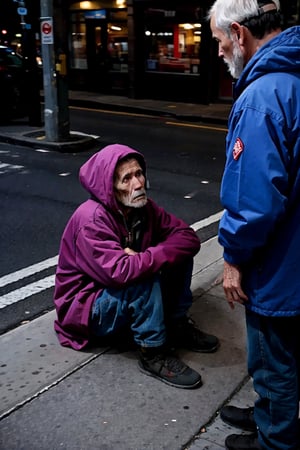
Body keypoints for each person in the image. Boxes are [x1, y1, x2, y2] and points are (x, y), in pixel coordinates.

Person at [209, 0, 300, 449]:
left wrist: (232, 258)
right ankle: (271, 416)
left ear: (240, 34)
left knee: (273, 360)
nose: (221, 51)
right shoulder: (294, 77)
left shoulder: (263, 95)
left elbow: (254, 205)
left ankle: (274, 438)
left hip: (280, 268)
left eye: (221, 42)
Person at [53, 144, 219, 389]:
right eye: (126, 179)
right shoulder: (92, 219)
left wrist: (145, 256)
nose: (138, 184)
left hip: (111, 291)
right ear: (110, 187)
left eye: (139, 173)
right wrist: (144, 261)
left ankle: (175, 324)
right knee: (142, 276)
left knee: (172, 258)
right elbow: (122, 273)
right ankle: (153, 352)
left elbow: (188, 237)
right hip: (85, 306)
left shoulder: (144, 208)